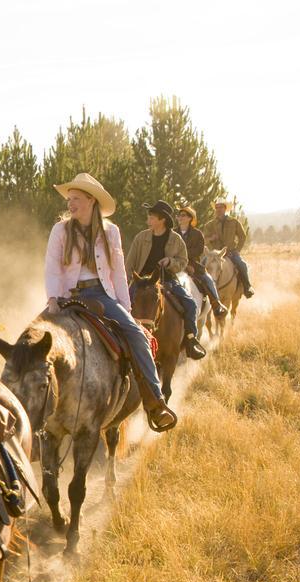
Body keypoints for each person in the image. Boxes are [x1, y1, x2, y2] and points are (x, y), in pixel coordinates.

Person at [44, 174, 178, 431]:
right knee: (33, 338)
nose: (70, 204)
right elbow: (51, 267)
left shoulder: (111, 231)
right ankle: (24, 408)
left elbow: (118, 272)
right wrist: (52, 299)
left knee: (137, 336)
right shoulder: (60, 230)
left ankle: (155, 403)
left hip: (101, 296)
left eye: (76, 199)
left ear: (91, 201)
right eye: (69, 199)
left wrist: (126, 309)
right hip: (67, 297)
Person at [127, 199, 207, 360]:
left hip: (167, 280)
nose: (148, 219)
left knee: (190, 305)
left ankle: (191, 341)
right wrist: (129, 281)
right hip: (142, 282)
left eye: (151, 217)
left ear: (162, 219)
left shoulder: (176, 239)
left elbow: (183, 261)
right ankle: (121, 341)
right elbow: (130, 263)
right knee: (122, 304)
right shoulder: (141, 237)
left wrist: (170, 262)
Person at [176, 205, 229, 318]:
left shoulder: (197, 234)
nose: (180, 218)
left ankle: (216, 304)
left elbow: (199, 250)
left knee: (207, 279)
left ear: (190, 218)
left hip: (192, 264)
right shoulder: (172, 233)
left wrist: (184, 259)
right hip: (174, 264)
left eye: (183, 215)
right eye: (178, 215)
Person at [202, 199, 254, 298]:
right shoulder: (209, 224)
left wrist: (237, 250)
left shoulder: (234, 222)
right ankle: (201, 290)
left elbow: (242, 236)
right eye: (216, 207)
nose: (218, 209)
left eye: (220, 207)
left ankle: (247, 287)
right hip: (215, 254)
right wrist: (211, 238)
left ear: (225, 208)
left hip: (231, 252)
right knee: (201, 265)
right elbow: (204, 240)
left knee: (242, 265)